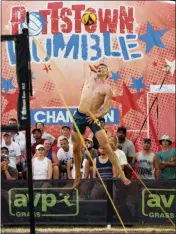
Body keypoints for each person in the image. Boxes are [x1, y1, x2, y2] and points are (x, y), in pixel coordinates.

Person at [71, 63, 131, 187]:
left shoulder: (107, 89)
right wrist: (95, 69)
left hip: (92, 116)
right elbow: (86, 63)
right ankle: (77, 176)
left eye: (104, 68)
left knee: (106, 146)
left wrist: (97, 116)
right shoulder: (90, 78)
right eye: (99, 68)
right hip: (79, 115)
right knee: (76, 148)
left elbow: (106, 109)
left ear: (107, 74)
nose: (100, 69)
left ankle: (122, 175)